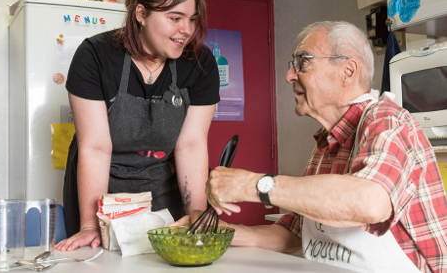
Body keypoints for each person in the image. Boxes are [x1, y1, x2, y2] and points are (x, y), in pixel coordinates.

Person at [173, 21, 447, 273]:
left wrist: (253, 185)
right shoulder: (325, 145)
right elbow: (292, 235)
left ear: (347, 71)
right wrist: (220, 232)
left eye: (302, 62)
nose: (289, 75)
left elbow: (371, 202)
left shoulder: (389, 121)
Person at [56, 0, 219, 251]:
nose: (187, 30)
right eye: (175, 18)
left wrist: (196, 215)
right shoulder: (95, 56)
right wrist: (89, 226)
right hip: (100, 188)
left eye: (192, 20)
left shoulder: (199, 62)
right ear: (141, 14)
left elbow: (190, 145)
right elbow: (95, 146)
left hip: (162, 182)